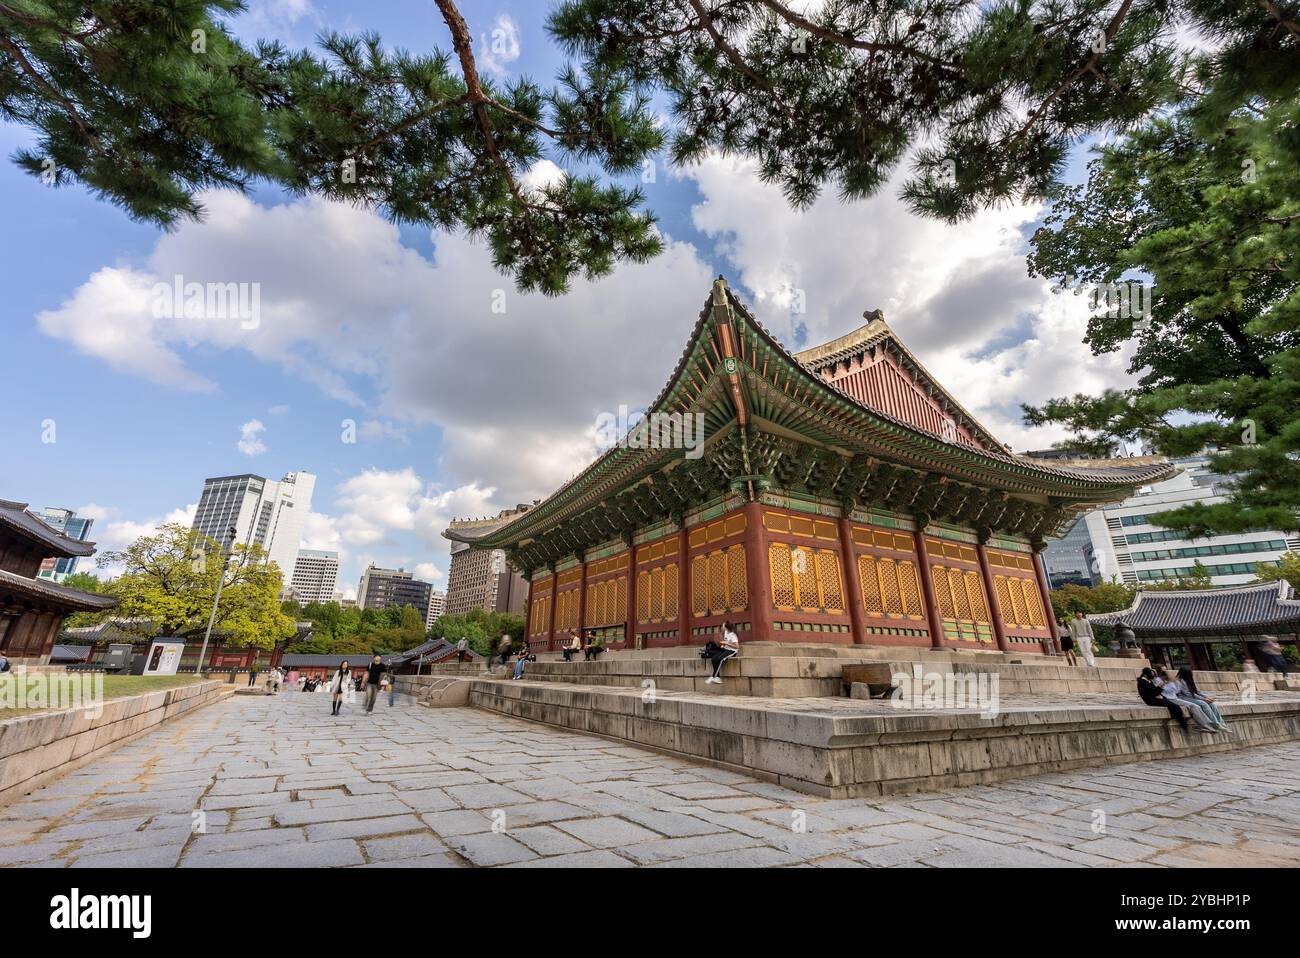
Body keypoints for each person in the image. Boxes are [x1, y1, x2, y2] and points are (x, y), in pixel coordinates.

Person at [1155, 667, 1224, 733]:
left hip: (1175, 697)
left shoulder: (1173, 680)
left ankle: (1218, 724)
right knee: (1199, 705)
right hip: (1174, 698)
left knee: (1209, 704)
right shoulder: (1159, 680)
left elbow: (1196, 691)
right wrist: (1168, 682)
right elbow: (1175, 691)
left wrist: (1206, 697)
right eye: (1164, 671)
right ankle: (1209, 725)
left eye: (1166, 670)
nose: (1167, 672)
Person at [702, 620, 740, 685]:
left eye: (723, 625)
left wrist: (726, 643)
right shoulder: (726, 633)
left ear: (726, 627)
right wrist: (723, 645)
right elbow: (725, 642)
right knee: (714, 658)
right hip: (725, 649)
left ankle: (714, 676)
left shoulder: (733, 635)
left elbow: (737, 646)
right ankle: (717, 677)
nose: (722, 626)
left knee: (720, 659)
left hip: (732, 651)